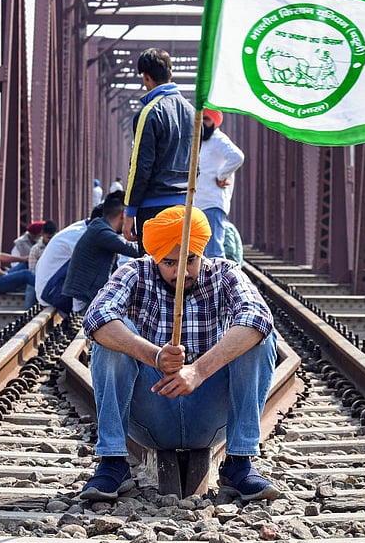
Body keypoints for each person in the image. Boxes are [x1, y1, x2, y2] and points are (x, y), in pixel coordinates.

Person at [78, 205, 279, 502]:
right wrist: (154, 356)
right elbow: (96, 317)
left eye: (190, 260)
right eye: (170, 263)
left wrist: (198, 371)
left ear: (202, 254)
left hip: (210, 415)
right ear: (155, 257)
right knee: (111, 336)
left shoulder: (224, 273)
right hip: (152, 414)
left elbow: (258, 317)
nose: (181, 272)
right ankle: (113, 462)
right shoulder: (135, 272)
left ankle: (239, 462)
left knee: (259, 336)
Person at [122, 48, 195, 253]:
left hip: (154, 209)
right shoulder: (191, 112)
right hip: (185, 207)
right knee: (180, 267)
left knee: (153, 268)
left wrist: (130, 212)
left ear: (146, 77)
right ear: (170, 72)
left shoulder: (150, 112)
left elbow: (140, 167)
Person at [62, 191, 140, 313]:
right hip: (86, 298)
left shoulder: (98, 227)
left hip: (87, 294)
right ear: (123, 214)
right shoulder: (101, 231)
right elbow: (132, 249)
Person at [194, 109, 245, 259]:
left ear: (215, 122)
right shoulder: (200, 141)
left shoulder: (218, 139)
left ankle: (219, 275)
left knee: (214, 250)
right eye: (200, 119)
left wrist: (221, 175)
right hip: (198, 203)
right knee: (200, 250)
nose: (202, 122)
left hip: (212, 203)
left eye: (206, 119)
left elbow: (237, 156)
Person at [34, 205, 104, 312]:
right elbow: (83, 272)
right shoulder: (82, 236)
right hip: (50, 292)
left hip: (49, 288)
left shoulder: (82, 227)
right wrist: (78, 309)